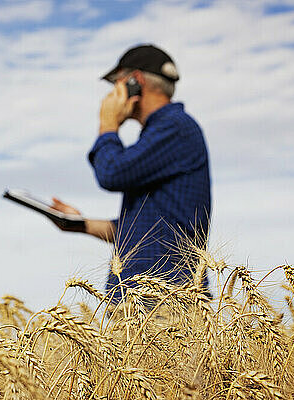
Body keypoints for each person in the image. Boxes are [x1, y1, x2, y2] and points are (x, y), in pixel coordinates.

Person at [51, 44, 211, 300]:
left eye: (117, 82)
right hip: (147, 300)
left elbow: (111, 173)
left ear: (134, 82)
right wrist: (80, 223)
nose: (113, 92)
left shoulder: (175, 128)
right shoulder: (164, 134)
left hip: (161, 301)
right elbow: (141, 229)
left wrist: (107, 124)